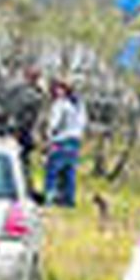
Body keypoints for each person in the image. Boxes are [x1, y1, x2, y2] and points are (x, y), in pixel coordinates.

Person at [0, 65, 45, 198]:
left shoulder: (14, 89)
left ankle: (23, 189)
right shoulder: (30, 94)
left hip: (11, 132)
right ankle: (22, 189)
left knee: (16, 162)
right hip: (15, 133)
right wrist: (15, 130)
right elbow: (26, 117)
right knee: (18, 163)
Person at [44, 78, 86, 209]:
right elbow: (83, 122)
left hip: (60, 140)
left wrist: (49, 137)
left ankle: (49, 199)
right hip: (75, 140)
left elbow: (54, 124)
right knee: (69, 171)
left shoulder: (60, 104)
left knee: (52, 171)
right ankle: (69, 200)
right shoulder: (79, 104)